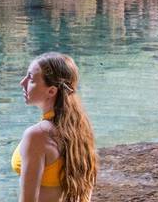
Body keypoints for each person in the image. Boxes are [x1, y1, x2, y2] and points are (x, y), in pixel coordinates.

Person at [12, 52, 98, 202]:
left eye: (31, 79)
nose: (22, 82)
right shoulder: (79, 128)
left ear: (51, 91)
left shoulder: (36, 136)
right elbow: (85, 190)